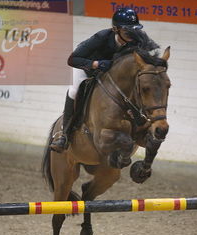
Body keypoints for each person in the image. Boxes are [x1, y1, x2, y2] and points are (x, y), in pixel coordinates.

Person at [50, 7, 143, 153]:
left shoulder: (136, 41)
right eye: (127, 31)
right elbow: (73, 59)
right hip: (86, 67)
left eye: (134, 30)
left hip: (110, 75)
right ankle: (64, 134)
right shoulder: (101, 37)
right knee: (74, 91)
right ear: (115, 29)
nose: (132, 34)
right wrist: (96, 64)